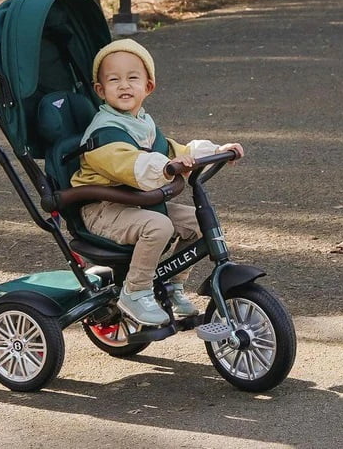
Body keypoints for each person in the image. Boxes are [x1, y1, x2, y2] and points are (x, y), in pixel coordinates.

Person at [70, 39, 243, 327]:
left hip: (135, 202)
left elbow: (172, 150)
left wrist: (213, 152)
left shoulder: (140, 121)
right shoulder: (104, 131)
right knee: (158, 226)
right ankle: (135, 291)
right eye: (114, 80)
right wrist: (165, 168)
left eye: (132, 78)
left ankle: (172, 284)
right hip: (102, 209)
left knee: (200, 222)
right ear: (100, 90)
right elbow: (129, 164)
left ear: (148, 87)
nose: (124, 85)